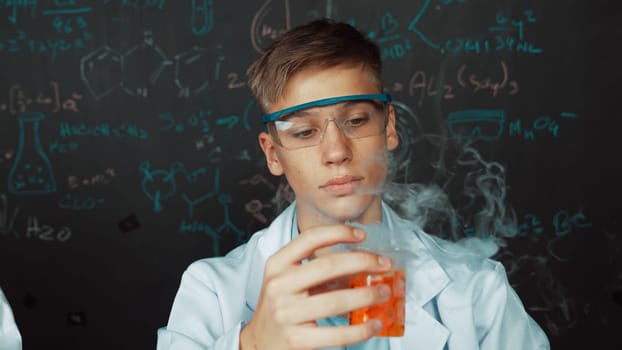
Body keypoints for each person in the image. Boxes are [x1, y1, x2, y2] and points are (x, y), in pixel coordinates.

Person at [157, 19, 550, 349]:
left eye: (356, 121)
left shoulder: (477, 291)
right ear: (273, 153)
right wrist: (252, 344)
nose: (336, 151)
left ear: (389, 127)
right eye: (305, 132)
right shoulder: (211, 291)